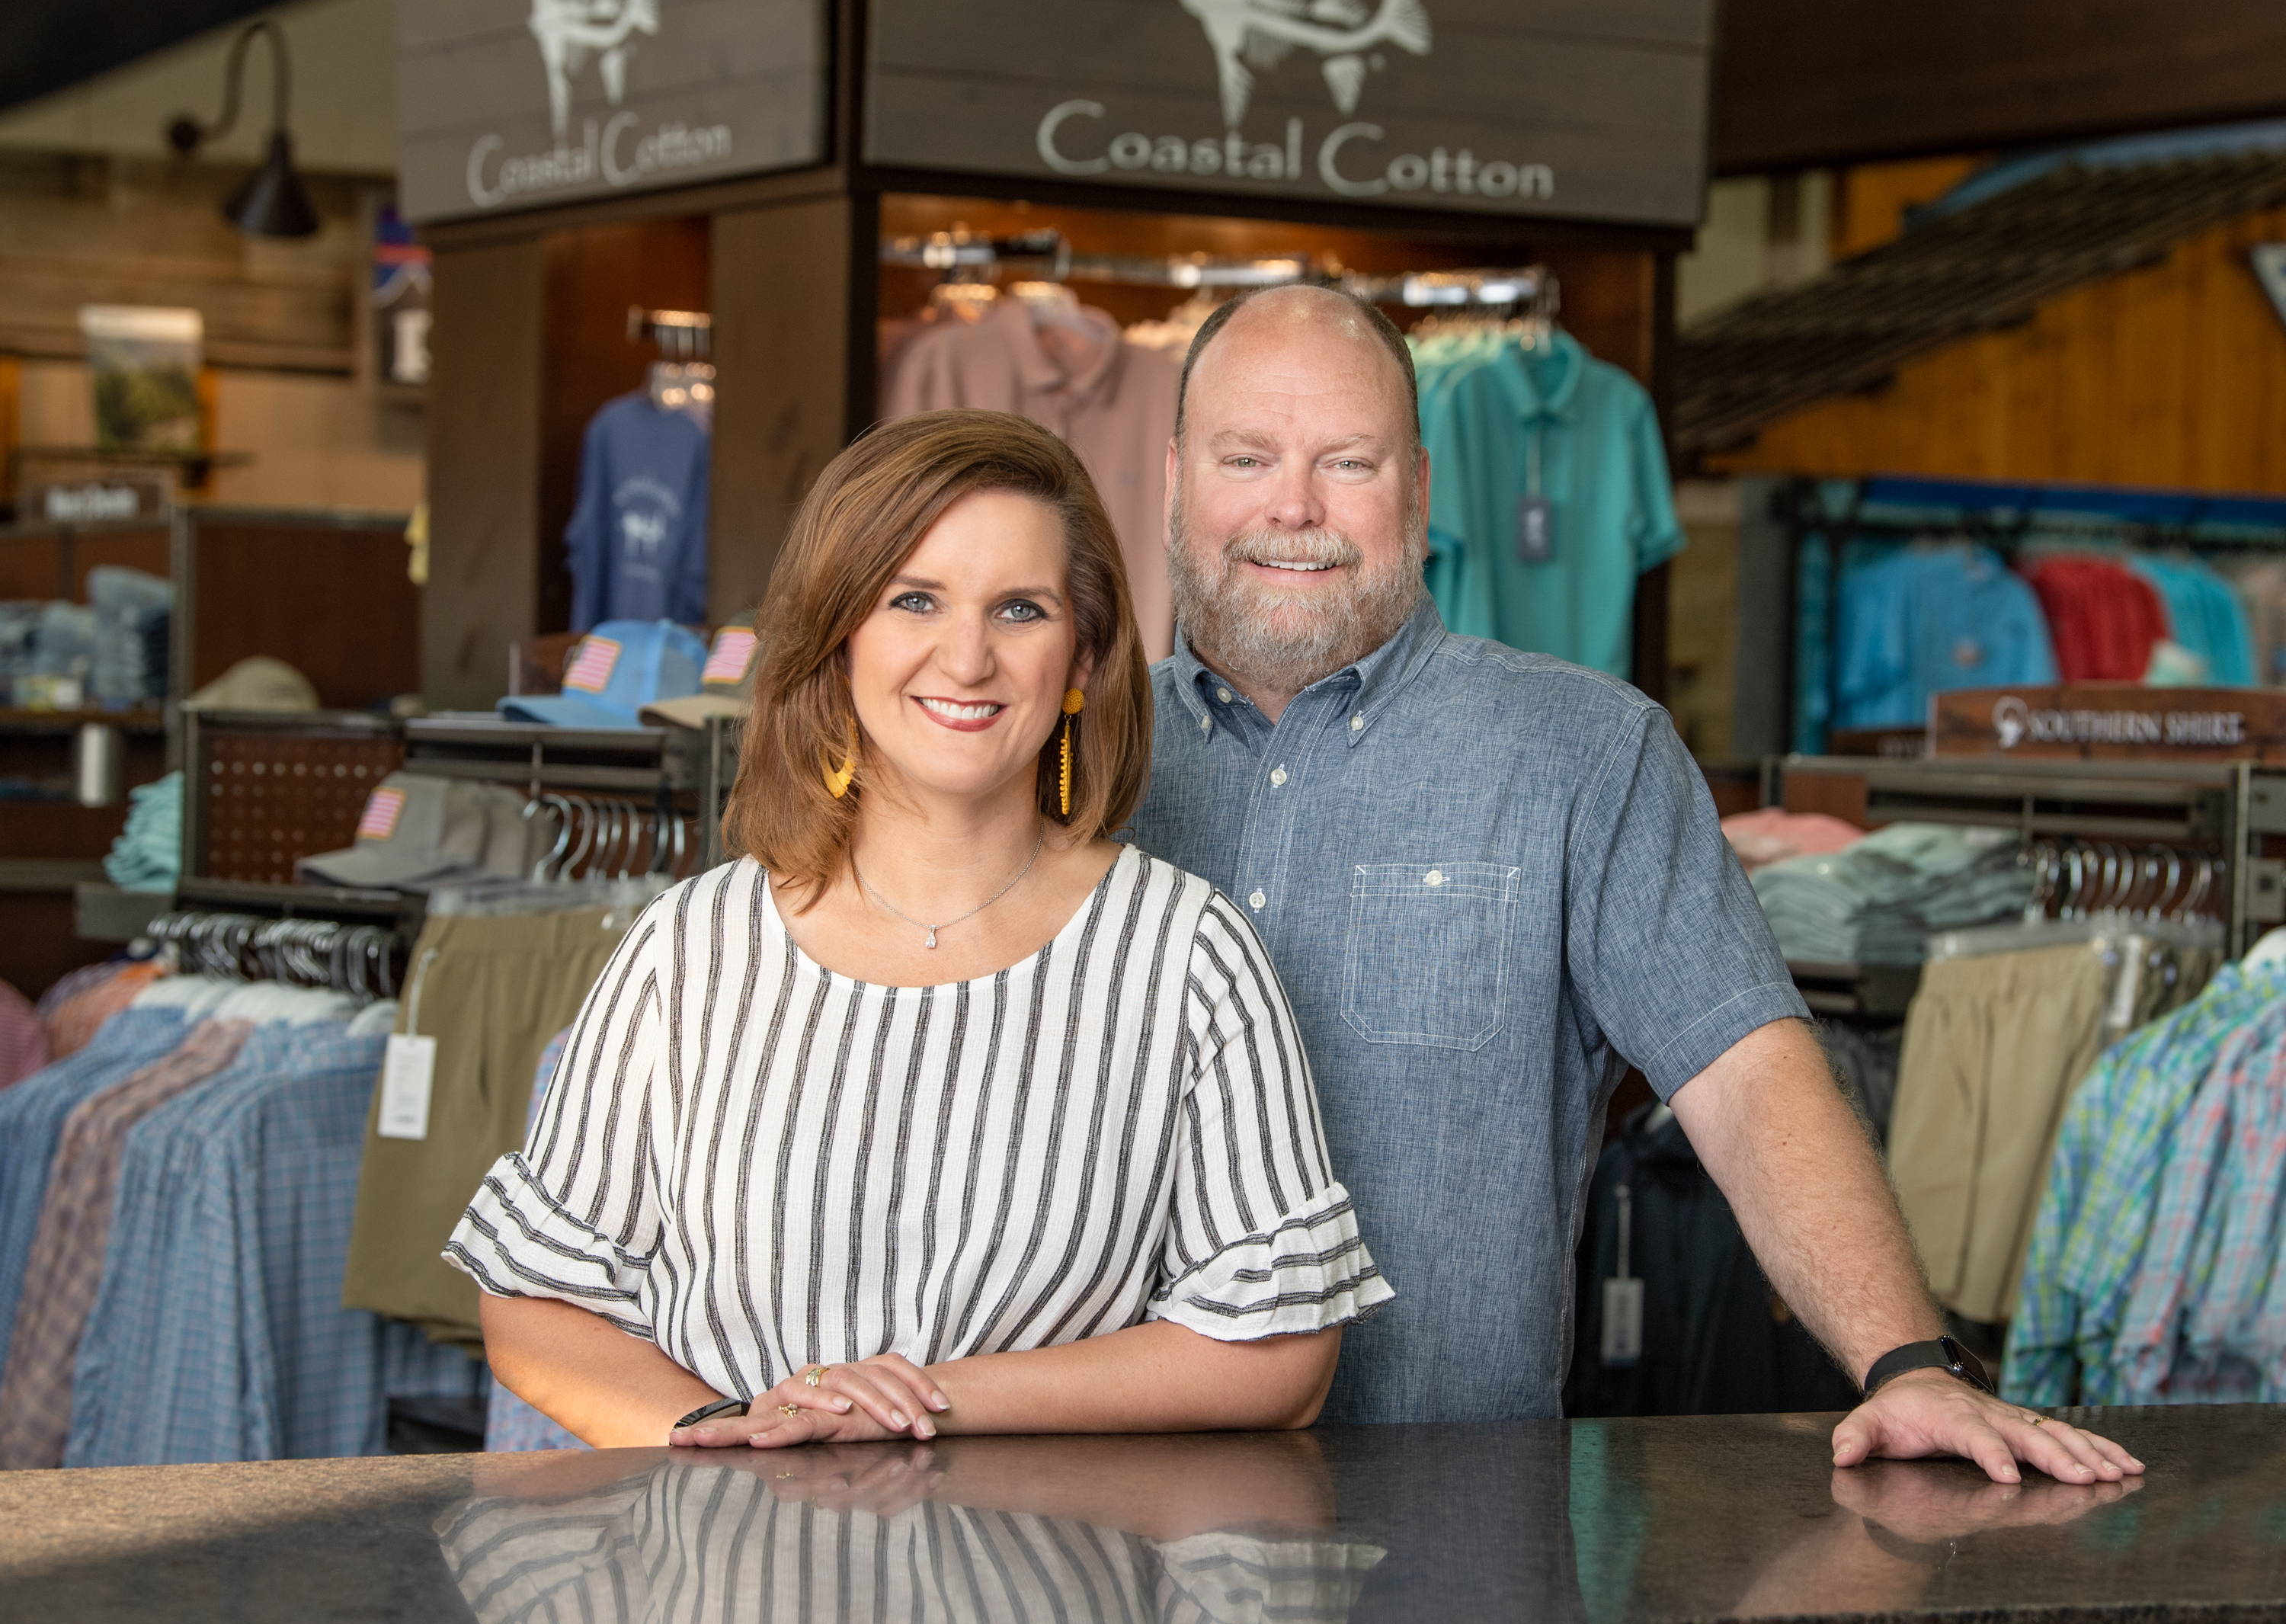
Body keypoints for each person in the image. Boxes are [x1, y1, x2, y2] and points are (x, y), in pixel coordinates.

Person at [1126, 283, 2139, 1488]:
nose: (1295, 509)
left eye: (1348, 461)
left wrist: (1904, 1360)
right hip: (1082, 1521)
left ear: (1423, 490)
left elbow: (1746, 1071)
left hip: (1457, 1534)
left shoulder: (1586, 751)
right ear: (1180, 475)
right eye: (1250, 457)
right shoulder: (1065, 757)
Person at [447, 408, 1392, 1449]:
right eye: (915, 600)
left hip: (1059, 1599)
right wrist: (736, 1437)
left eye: (1021, 609)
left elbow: (1282, 1353)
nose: (967, 655)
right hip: (729, 1594)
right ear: (840, 637)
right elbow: (537, 1304)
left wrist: (917, 1405)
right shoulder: (689, 951)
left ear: (1083, 658)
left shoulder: (1189, 957)